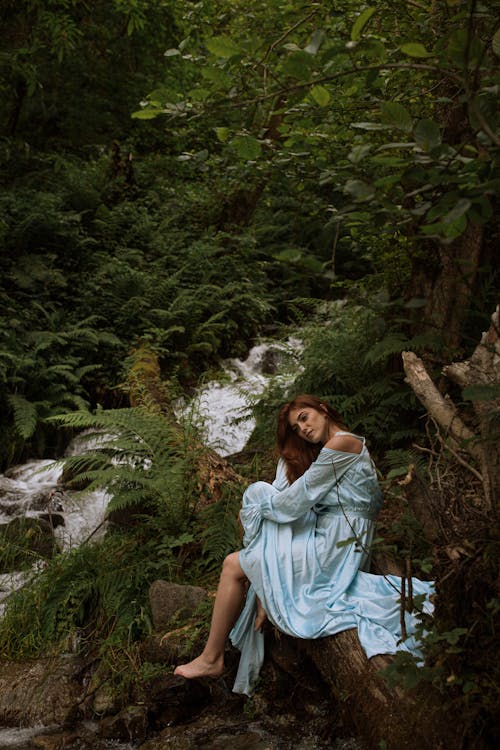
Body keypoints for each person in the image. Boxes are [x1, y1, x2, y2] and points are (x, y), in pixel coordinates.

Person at [174, 394, 434, 695]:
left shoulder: (342, 443)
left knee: (236, 556)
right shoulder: (333, 447)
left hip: (337, 545)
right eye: (296, 428)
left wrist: (258, 503)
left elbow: (298, 501)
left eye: (304, 418)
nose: (303, 429)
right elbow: (297, 494)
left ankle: (212, 657)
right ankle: (257, 601)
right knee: (259, 524)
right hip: (336, 537)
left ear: (322, 409)